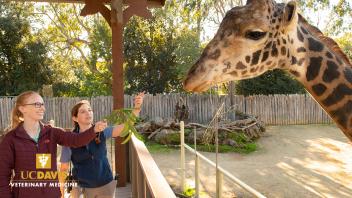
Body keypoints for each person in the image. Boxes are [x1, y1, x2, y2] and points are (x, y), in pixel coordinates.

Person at [0, 91, 107, 198]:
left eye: (42, 104)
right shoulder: (11, 139)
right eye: (37, 104)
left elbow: (76, 140)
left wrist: (94, 130)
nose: (42, 108)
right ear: (22, 108)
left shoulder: (52, 132)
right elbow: (2, 176)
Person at [59, 92, 144, 198]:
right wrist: (61, 191)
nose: (88, 113)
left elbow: (126, 127)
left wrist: (136, 108)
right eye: (83, 111)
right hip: (81, 188)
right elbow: (63, 168)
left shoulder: (102, 131)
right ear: (75, 118)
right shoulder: (69, 139)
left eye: (90, 110)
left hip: (105, 185)